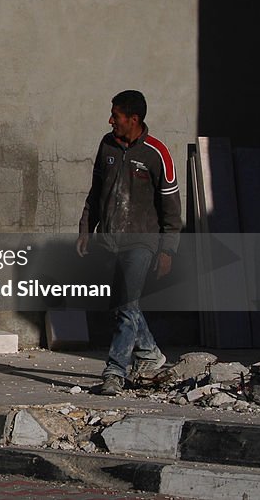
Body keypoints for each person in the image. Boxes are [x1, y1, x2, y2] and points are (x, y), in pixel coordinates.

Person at [76, 90, 182, 396]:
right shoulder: (107, 145)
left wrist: (167, 250)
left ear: (133, 119)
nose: (111, 120)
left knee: (125, 305)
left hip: (142, 243)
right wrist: (86, 228)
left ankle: (114, 372)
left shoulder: (156, 153)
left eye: (116, 115)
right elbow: (96, 193)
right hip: (110, 240)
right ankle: (150, 352)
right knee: (122, 305)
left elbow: (172, 210)